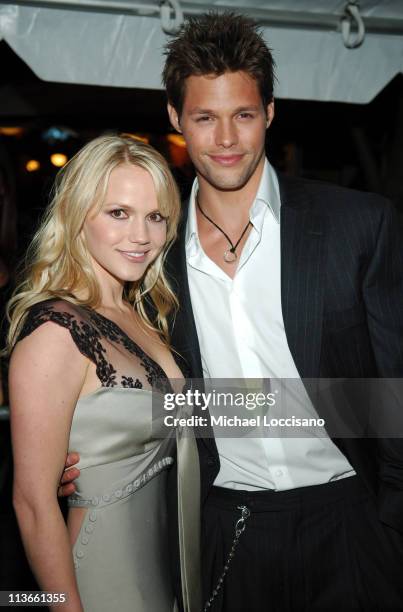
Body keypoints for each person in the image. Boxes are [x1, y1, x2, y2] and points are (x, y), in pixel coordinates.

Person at [61, 12, 403, 612]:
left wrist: (390, 528)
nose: (225, 139)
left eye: (243, 115)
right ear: (175, 119)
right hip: (224, 528)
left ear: (270, 112)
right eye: (204, 117)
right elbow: (149, 385)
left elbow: (393, 393)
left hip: (351, 520)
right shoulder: (147, 256)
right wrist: (97, 449)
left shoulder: (358, 225)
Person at [7, 134, 195, 612]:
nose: (141, 236)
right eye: (118, 213)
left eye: (155, 216)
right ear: (77, 216)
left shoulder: (143, 316)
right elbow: (31, 504)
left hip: (164, 581)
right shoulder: (56, 329)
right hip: (94, 583)